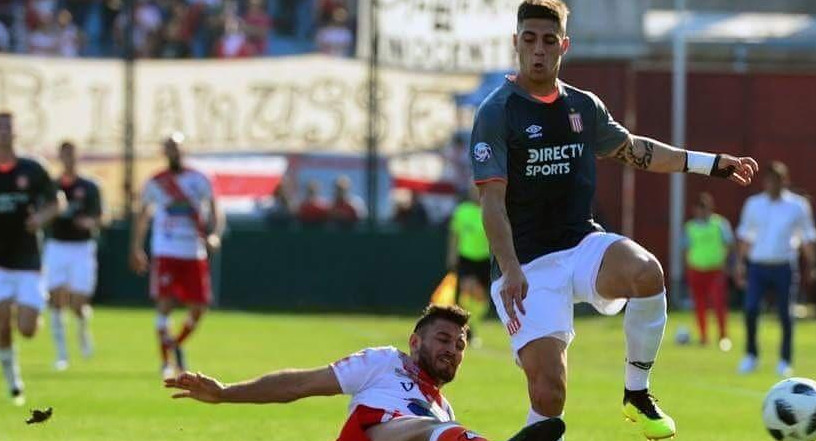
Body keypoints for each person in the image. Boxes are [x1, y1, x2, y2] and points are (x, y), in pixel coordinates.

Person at [469, 2, 759, 440]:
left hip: (582, 245)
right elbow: (491, 202)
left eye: (549, 41)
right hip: (527, 265)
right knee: (550, 398)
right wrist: (509, 268)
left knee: (647, 273)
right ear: (516, 43)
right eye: (529, 39)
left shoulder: (583, 107)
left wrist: (711, 164)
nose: (538, 50)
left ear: (564, 46)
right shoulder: (497, 112)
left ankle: (637, 393)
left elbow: (636, 150)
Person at [164, 304, 565, 441]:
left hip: (434, 431)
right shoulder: (385, 362)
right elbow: (300, 384)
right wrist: (226, 393)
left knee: (441, 429)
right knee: (433, 432)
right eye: (443, 339)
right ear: (415, 342)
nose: (452, 350)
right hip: (379, 435)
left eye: (459, 345)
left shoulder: (443, 409)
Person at [130, 132, 225, 379]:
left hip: (193, 251)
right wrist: (137, 247)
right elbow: (143, 214)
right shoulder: (155, 182)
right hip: (166, 250)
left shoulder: (200, 178)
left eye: (177, 148)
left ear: (184, 150)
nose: (174, 152)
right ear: (164, 152)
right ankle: (165, 362)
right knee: (164, 304)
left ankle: (176, 343)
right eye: (169, 148)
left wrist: (214, 234)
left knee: (199, 307)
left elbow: (215, 208)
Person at [735, 161, 816, 377]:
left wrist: (812, 264)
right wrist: (740, 263)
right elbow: (745, 235)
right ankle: (751, 355)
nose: (773, 184)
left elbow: (807, 237)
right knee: (751, 309)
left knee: (785, 314)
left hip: (784, 266)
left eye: (777, 180)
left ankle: (785, 360)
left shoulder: (797, 206)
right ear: (765, 182)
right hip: (758, 266)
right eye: (769, 179)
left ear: (785, 181)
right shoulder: (754, 204)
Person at [0, 112, 58, 405]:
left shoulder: (33, 169)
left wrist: (40, 218)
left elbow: (56, 202)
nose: (4, 133)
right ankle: (13, 380)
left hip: (28, 262)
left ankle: (32, 314)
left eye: (8, 127)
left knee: (26, 330)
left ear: (16, 132)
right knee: (0, 326)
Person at [45, 141, 103, 371]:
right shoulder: (52, 186)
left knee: (78, 303)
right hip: (57, 246)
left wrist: (89, 222)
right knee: (56, 298)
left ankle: (82, 330)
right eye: (64, 154)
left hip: (82, 247)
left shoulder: (89, 186)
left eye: (72, 154)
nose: (68, 158)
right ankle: (61, 354)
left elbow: (101, 217)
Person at [683, 192, 734, 350]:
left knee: (719, 303)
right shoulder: (690, 227)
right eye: (700, 208)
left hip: (715, 269)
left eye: (705, 208)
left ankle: (723, 336)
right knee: (699, 305)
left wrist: (727, 263)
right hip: (696, 269)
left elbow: (729, 244)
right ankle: (703, 336)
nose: (702, 211)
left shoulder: (720, 224)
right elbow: (685, 248)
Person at [447, 186, 491, 346]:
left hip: (484, 259)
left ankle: (473, 326)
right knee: (466, 290)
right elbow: (454, 234)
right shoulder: (462, 211)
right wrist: (452, 255)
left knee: (480, 298)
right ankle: (464, 328)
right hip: (466, 258)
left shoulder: (490, 210)